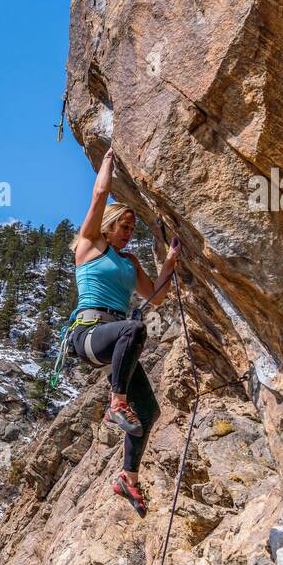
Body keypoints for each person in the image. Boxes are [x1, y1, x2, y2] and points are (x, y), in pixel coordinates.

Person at [70, 147, 180, 517]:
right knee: (133, 328)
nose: (130, 233)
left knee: (148, 411)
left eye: (133, 228)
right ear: (109, 225)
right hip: (88, 333)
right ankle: (116, 402)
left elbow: (158, 298)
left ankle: (128, 478)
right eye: (125, 226)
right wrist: (107, 162)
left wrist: (169, 262)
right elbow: (99, 195)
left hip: (116, 336)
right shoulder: (90, 247)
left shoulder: (130, 262)